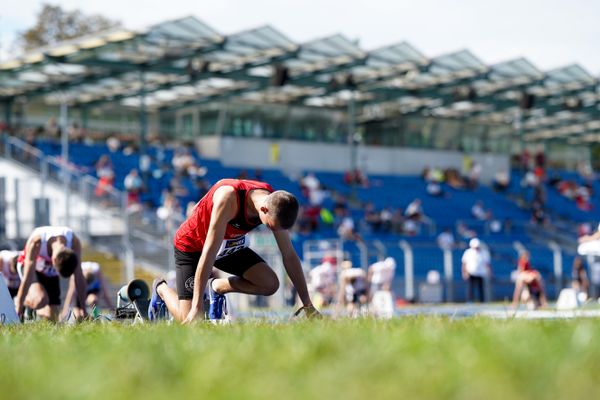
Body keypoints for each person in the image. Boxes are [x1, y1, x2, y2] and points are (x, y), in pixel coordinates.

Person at [148, 178, 319, 322]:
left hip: (227, 244)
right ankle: (161, 288)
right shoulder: (228, 199)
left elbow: (289, 255)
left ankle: (216, 287)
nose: (274, 232)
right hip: (193, 245)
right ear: (264, 209)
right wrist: (197, 306)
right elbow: (208, 253)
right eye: (270, 227)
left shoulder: (277, 203)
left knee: (270, 284)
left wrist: (307, 304)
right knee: (191, 317)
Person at [14, 226, 88, 321]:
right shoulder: (37, 242)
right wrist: (18, 310)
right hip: (30, 266)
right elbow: (27, 278)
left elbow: (79, 277)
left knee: (52, 319)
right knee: (40, 300)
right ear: (53, 260)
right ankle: (23, 301)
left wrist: (84, 310)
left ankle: (38, 310)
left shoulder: (74, 243)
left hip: (49, 272)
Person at [461, 238, 491, 302]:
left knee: (481, 287)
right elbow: (464, 263)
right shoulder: (468, 252)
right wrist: (464, 272)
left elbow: (487, 263)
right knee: (470, 287)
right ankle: (470, 300)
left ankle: (482, 300)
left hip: (481, 273)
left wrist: (489, 271)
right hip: (471, 272)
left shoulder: (484, 253)